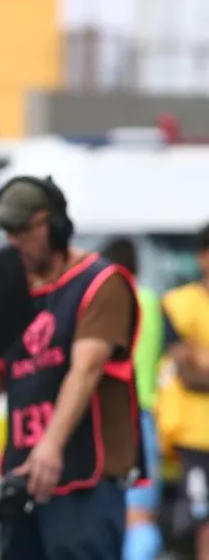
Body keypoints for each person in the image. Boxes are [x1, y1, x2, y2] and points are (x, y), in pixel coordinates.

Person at [0, 176, 144, 560]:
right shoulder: (12, 296)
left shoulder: (101, 283)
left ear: (54, 226)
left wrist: (51, 445)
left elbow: (87, 369)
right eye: (7, 232)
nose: (13, 242)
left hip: (84, 486)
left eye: (23, 230)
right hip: (22, 486)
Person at [101, 237, 166, 560]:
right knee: (142, 514)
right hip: (145, 416)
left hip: (110, 417)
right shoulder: (152, 302)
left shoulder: (106, 303)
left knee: (107, 512)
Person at [158, 222, 209, 560]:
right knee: (203, 518)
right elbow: (189, 372)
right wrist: (194, 360)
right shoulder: (179, 303)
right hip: (194, 433)